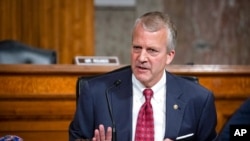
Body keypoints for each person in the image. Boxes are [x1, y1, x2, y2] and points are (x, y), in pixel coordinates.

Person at [69, 11, 217, 141]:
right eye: (137, 48)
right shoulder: (95, 93)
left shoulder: (198, 100)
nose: (141, 58)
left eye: (152, 50)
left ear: (169, 56)